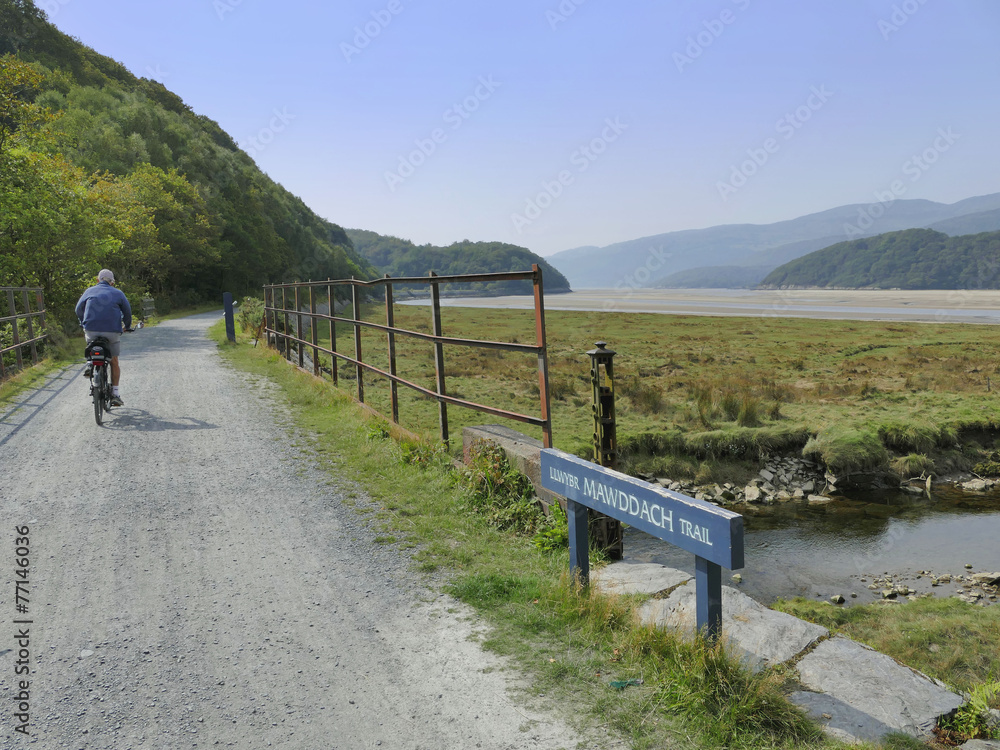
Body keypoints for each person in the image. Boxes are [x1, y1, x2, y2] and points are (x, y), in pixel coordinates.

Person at [76, 269, 132, 407]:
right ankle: (115, 394)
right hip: (112, 331)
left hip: (91, 330)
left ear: (98, 280)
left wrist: (83, 321)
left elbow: (78, 309)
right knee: (114, 361)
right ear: (112, 283)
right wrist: (127, 326)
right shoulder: (118, 293)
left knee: (91, 344)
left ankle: (90, 364)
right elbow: (127, 312)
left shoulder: (89, 291)